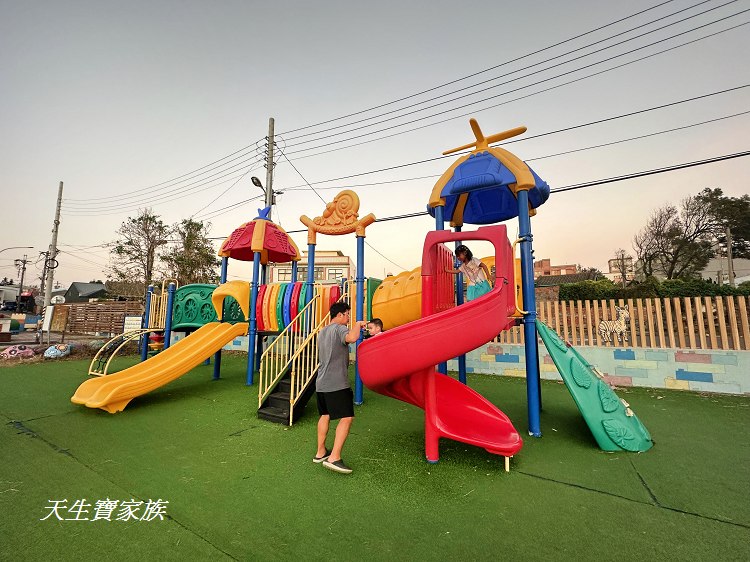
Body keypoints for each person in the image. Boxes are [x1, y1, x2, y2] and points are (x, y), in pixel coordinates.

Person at [314, 301, 367, 474]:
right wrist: (358, 325)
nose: (348, 318)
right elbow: (352, 338)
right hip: (336, 383)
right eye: (347, 315)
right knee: (347, 418)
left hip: (321, 382)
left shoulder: (322, 332)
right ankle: (334, 457)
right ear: (340, 315)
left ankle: (320, 452)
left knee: (325, 415)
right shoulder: (339, 328)